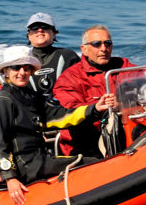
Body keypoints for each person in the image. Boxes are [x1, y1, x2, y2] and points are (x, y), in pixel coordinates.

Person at [0, 47, 118, 205]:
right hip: (26, 166)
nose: (22, 72)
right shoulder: (1, 100)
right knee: (92, 163)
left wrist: (94, 108)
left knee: (93, 160)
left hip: (40, 160)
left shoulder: (33, 97)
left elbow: (60, 117)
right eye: (16, 67)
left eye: (27, 68)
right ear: (5, 71)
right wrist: (10, 178)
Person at [52, 24, 132, 157]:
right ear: (84, 49)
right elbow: (67, 111)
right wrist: (96, 108)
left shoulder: (123, 66)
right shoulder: (70, 78)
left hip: (124, 134)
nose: (103, 49)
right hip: (87, 143)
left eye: (108, 43)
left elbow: (144, 79)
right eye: (96, 44)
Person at [24, 12, 80, 102]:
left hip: (64, 110)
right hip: (31, 110)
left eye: (45, 27)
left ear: (54, 34)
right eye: (34, 27)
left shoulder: (68, 56)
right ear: (28, 35)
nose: (40, 30)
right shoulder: (22, 59)